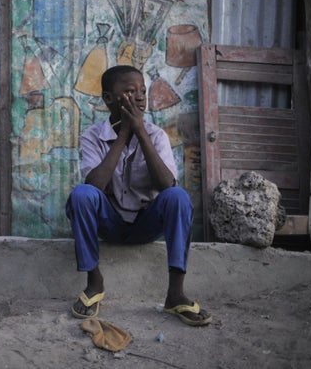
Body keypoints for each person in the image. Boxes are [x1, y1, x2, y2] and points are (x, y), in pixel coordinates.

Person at [65, 65, 212, 326]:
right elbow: (96, 184)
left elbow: (167, 184)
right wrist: (124, 134)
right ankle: (94, 281)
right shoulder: (93, 137)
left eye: (142, 91)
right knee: (82, 194)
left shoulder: (156, 136)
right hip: (109, 222)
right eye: (130, 91)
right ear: (109, 99)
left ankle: (175, 293)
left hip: (146, 222)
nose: (140, 97)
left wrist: (141, 132)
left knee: (178, 196)